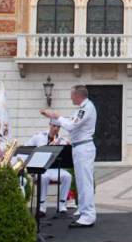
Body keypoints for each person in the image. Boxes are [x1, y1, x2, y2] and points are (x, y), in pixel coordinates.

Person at [42, 85, 98, 228]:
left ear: (78, 95)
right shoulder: (80, 109)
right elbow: (70, 122)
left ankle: (89, 215)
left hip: (83, 147)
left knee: (85, 182)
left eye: (71, 95)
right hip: (79, 147)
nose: (70, 97)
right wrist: (54, 117)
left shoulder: (86, 108)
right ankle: (83, 209)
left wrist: (57, 116)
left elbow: (71, 126)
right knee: (80, 181)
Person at [26, 121, 73, 216]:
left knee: (67, 176)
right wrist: (47, 148)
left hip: (54, 168)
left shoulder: (61, 139)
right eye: (54, 126)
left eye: (58, 127)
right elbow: (27, 147)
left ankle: (62, 205)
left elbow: (67, 156)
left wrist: (69, 146)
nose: (56, 129)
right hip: (41, 168)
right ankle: (42, 207)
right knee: (44, 177)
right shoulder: (39, 136)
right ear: (50, 125)